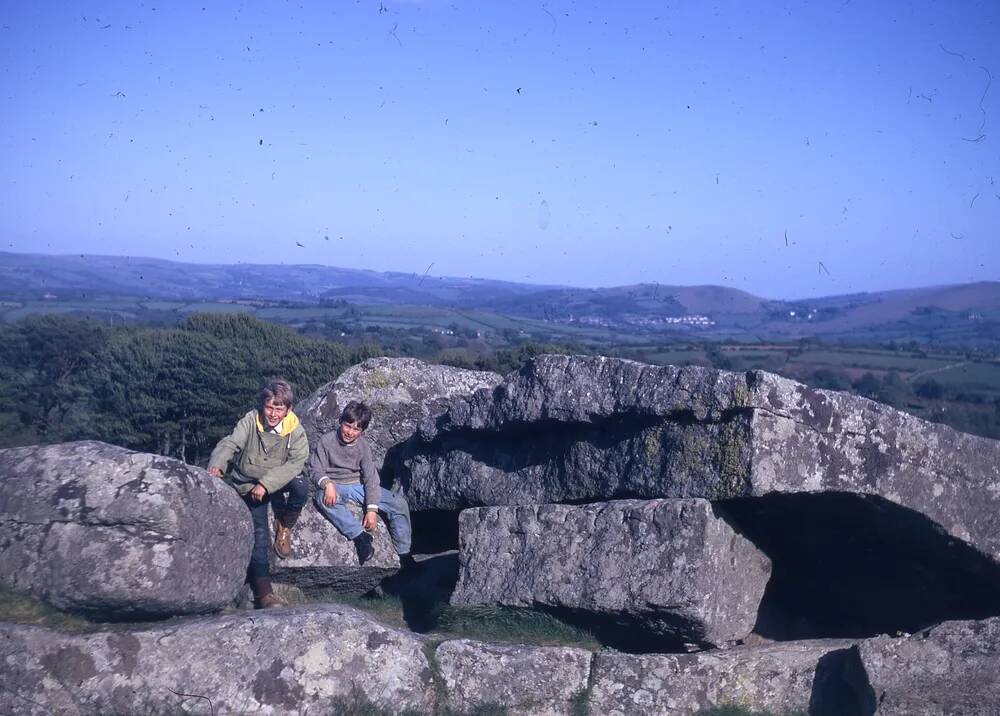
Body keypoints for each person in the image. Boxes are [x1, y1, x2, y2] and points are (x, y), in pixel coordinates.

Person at [208, 378, 309, 608]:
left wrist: (266, 484)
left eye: (279, 408)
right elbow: (231, 443)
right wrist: (218, 464)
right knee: (259, 533)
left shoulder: (295, 431)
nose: (273, 413)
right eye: (269, 406)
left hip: (273, 481)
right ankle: (264, 593)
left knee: (301, 487)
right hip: (249, 484)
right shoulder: (251, 420)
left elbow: (296, 463)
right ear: (263, 405)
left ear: (288, 410)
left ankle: (285, 525)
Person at [310, 400, 417, 571]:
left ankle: (404, 554)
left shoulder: (363, 446)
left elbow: (371, 478)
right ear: (341, 422)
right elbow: (315, 468)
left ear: (362, 431)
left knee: (399, 504)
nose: (350, 432)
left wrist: (372, 510)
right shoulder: (326, 441)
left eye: (356, 429)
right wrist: (327, 483)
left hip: (357, 486)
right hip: (335, 485)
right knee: (321, 498)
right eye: (347, 426)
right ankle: (360, 537)